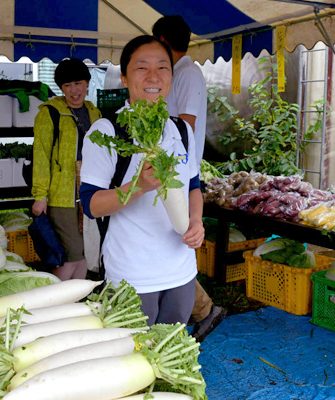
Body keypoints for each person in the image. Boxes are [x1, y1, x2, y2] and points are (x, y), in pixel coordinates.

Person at [79, 35, 205, 326]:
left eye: (163, 68)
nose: (153, 76)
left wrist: (196, 221)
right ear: (124, 78)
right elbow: (91, 205)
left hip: (181, 273)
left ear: (171, 77)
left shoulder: (182, 130)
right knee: (134, 359)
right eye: (141, 68)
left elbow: (194, 187)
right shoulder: (107, 132)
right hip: (132, 275)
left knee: (171, 354)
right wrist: (138, 187)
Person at [152, 15, 225, 342]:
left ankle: (205, 309)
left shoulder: (188, 74)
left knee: (174, 246)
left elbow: (186, 126)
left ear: (165, 41)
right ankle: (198, 309)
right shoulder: (175, 74)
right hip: (165, 174)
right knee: (164, 245)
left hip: (179, 176)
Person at [31, 58, 102, 281]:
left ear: (88, 83)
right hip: (61, 196)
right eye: (67, 85)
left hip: (88, 191)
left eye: (78, 83)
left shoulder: (94, 113)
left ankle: (74, 301)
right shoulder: (49, 113)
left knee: (82, 254)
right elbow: (41, 155)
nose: (74, 90)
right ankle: (53, 300)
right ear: (61, 88)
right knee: (71, 255)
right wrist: (40, 195)